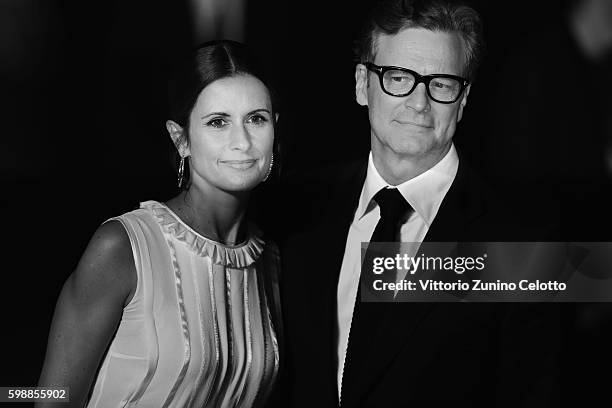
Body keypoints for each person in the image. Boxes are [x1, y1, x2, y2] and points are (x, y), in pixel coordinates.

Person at [280, 1, 562, 407]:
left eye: (442, 84)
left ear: (463, 100)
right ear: (363, 84)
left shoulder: (525, 245)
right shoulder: (297, 210)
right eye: (398, 78)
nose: (418, 102)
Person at [37, 40, 281, 408]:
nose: (242, 142)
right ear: (180, 138)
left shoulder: (271, 261)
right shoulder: (122, 247)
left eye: (256, 119)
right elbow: (49, 398)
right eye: (218, 122)